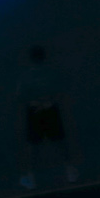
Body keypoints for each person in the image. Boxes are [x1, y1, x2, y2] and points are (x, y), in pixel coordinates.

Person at [18, 44, 78, 186]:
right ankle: (69, 173)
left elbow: (20, 95)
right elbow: (59, 90)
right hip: (48, 109)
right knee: (57, 142)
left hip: (36, 110)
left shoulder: (28, 75)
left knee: (35, 146)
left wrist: (38, 103)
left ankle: (31, 179)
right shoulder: (50, 73)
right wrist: (47, 102)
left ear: (30, 58)